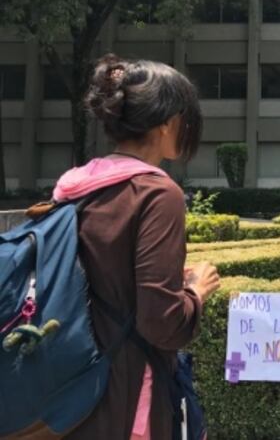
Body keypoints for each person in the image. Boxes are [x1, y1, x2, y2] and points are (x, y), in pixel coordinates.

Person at [52, 55, 220, 439]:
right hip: (128, 392)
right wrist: (195, 291)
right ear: (167, 123)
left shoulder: (75, 183)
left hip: (69, 387)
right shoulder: (158, 193)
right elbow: (161, 323)